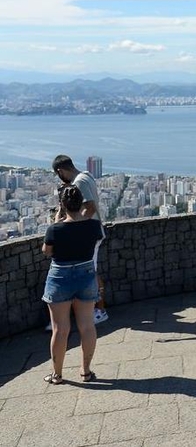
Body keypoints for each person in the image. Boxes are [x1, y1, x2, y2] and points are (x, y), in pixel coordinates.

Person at [41, 185, 105, 384]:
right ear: (80, 203)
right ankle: (86, 371)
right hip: (86, 274)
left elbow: (47, 251)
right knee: (87, 325)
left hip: (60, 276)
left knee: (60, 329)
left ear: (62, 205)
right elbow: (91, 239)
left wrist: (57, 222)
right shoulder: (93, 226)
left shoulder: (55, 229)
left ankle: (57, 375)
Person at [52, 154, 108, 325]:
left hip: (89, 234)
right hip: (93, 231)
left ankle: (100, 310)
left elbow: (89, 208)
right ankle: (98, 308)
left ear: (61, 170)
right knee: (91, 270)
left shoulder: (79, 182)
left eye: (58, 174)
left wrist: (74, 223)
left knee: (90, 272)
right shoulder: (86, 175)